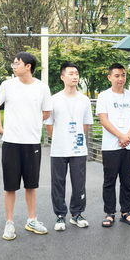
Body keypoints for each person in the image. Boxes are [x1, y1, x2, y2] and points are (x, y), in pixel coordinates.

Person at [0, 52, 52, 240]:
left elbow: (47, 112)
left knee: (31, 185)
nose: (14, 66)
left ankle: (31, 220)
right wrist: (0, 127)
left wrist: (32, 121)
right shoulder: (7, 85)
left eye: (17, 63)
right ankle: (9, 223)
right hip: (11, 142)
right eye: (13, 63)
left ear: (28, 66)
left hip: (32, 142)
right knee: (10, 186)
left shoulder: (42, 88)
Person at [44, 62, 93, 231]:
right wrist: (59, 138)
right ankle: (60, 215)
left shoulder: (84, 100)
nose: (75, 76)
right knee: (58, 183)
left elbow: (85, 125)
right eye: (71, 73)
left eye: (76, 73)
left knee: (79, 183)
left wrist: (74, 138)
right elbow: (48, 124)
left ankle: (76, 214)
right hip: (59, 149)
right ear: (62, 77)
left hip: (78, 149)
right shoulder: (54, 100)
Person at [95, 63, 130, 227]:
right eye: (117, 75)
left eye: (123, 75)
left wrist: (127, 137)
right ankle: (110, 212)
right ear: (109, 77)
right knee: (109, 180)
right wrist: (121, 136)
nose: (120, 78)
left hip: (129, 145)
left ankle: (125, 212)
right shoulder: (103, 96)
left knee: (127, 181)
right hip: (111, 146)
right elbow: (103, 120)